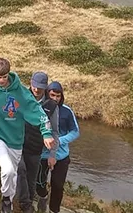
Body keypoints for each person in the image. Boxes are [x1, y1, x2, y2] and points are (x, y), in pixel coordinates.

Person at [0, 58, 56, 213]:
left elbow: (37, 111)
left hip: (15, 140)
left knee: (12, 174)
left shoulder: (20, 92)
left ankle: (7, 202)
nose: (1, 80)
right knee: (7, 170)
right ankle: (6, 199)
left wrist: (46, 133)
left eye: (5, 77)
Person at [18, 72, 60, 213]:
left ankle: (28, 205)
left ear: (46, 87)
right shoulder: (21, 97)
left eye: (40, 87)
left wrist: (52, 154)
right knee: (20, 170)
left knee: (31, 180)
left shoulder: (52, 106)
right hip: (17, 144)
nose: (36, 89)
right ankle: (22, 202)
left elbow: (55, 131)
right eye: (34, 86)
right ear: (30, 82)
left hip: (35, 148)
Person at [36, 81, 79, 213]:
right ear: (47, 94)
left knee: (58, 186)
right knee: (39, 184)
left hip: (61, 156)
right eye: (52, 95)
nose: (55, 99)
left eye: (58, 96)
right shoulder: (40, 108)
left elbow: (75, 132)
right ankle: (43, 199)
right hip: (42, 155)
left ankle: (54, 210)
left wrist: (59, 141)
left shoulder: (67, 111)